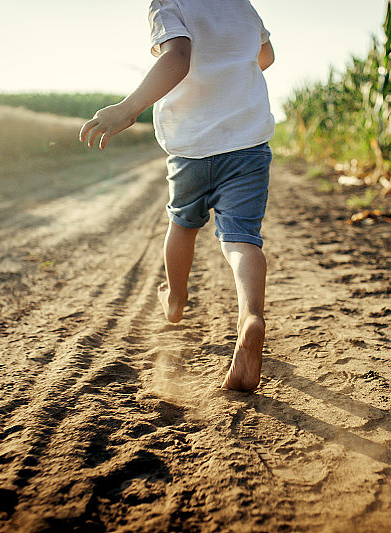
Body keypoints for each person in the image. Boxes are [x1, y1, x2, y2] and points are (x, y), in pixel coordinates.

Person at [79, 0, 275, 391]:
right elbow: (265, 56)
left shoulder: (168, 3)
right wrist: (231, 73)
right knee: (240, 239)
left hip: (191, 146)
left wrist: (128, 108)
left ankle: (175, 298)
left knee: (183, 225)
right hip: (248, 143)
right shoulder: (241, 5)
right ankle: (251, 316)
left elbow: (179, 58)